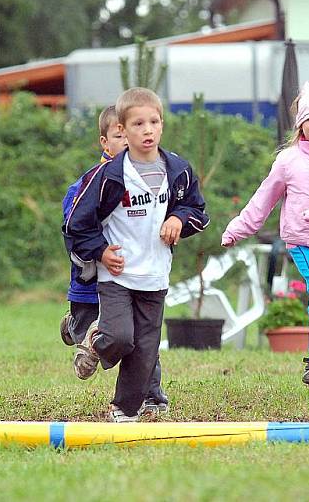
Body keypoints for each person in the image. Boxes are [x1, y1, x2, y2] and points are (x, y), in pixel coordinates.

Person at [65, 87, 210, 422]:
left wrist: (179, 218)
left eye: (154, 122)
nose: (147, 130)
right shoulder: (109, 175)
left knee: (145, 349)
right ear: (123, 131)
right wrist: (100, 252)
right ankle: (97, 341)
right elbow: (77, 223)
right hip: (117, 275)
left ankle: (125, 410)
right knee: (119, 337)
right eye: (138, 124)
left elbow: (197, 209)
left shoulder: (178, 170)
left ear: (162, 125)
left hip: (156, 274)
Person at [221, 82, 309, 394]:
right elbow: (263, 200)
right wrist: (237, 229)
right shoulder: (287, 161)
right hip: (302, 241)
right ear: (300, 124)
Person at [60, 105, 169, 415]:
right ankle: (76, 329)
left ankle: (152, 397)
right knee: (108, 334)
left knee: (141, 338)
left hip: (134, 279)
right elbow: (74, 230)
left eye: (129, 134)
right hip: (91, 283)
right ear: (104, 143)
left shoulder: (152, 176)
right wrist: (97, 254)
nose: (126, 141)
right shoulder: (88, 183)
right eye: (118, 136)